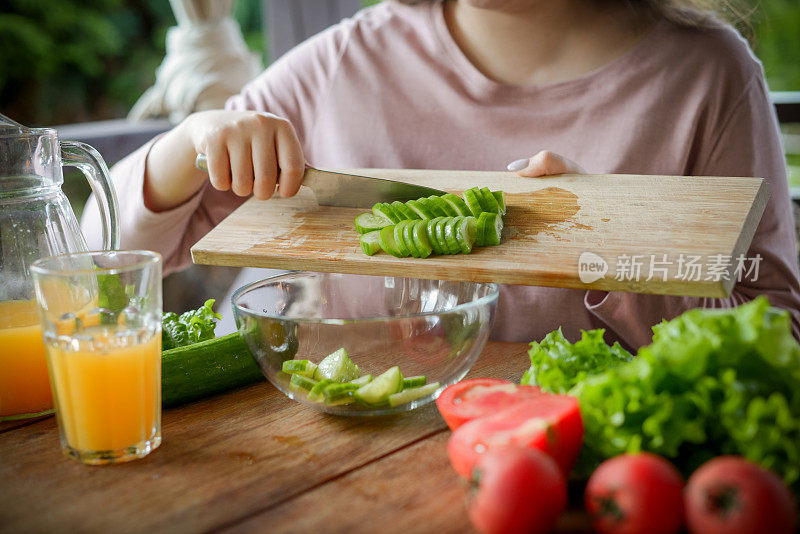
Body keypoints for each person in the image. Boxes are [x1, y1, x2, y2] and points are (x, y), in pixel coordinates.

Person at [82, 0, 800, 350]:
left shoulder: (709, 76)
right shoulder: (337, 66)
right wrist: (192, 140)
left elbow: (778, 335)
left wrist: (610, 250)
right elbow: (96, 254)